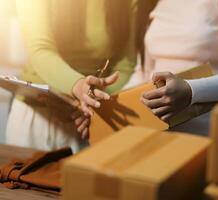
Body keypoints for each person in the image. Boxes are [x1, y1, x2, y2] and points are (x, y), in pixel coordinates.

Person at [6, 0, 157, 152]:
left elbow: (125, 64)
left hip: (88, 120)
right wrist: (79, 87)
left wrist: (94, 99)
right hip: (36, 114)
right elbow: (40, 49)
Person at [134, 0, 218, 134]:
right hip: (160, 134)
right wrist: (113, 100)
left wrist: (191, 90)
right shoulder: (151, 2)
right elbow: (143, 73)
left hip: (211, 133)